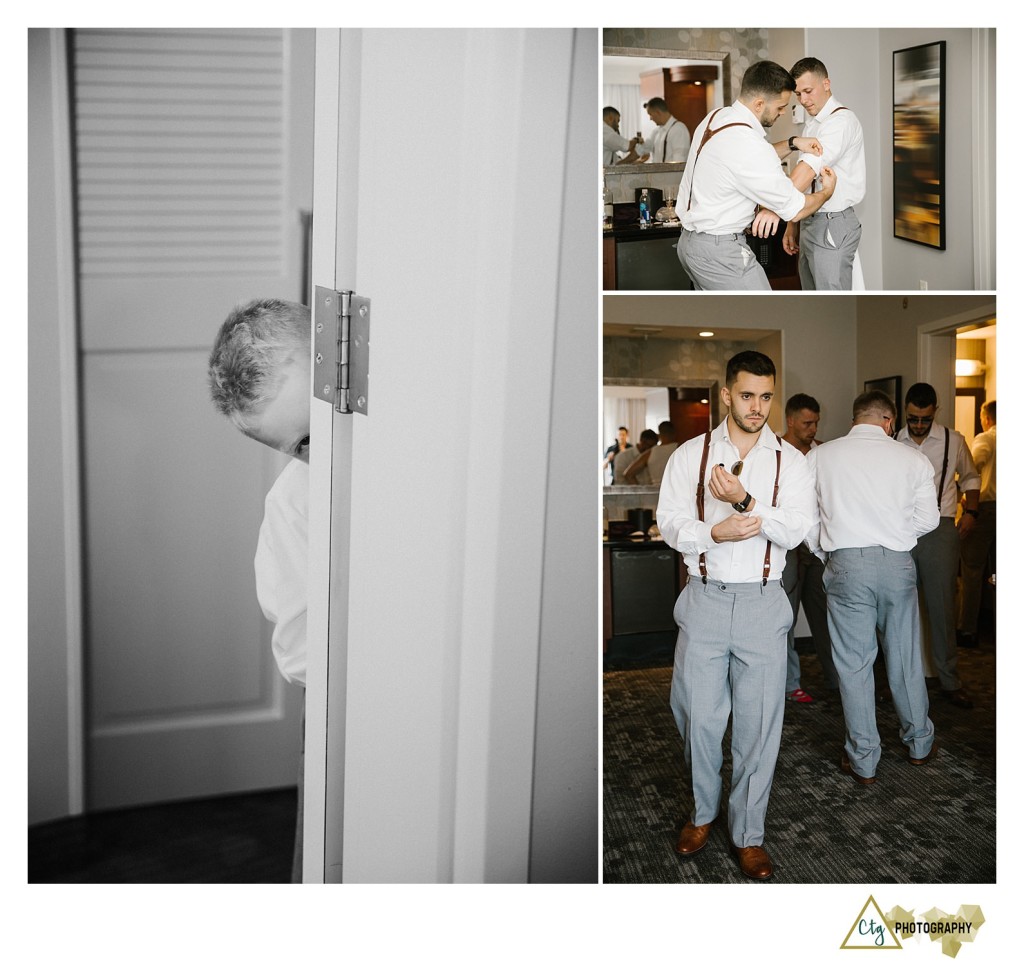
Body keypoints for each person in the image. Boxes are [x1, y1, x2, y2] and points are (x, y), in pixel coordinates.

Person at [658, 351, 814, 881]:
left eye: (766, 396)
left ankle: (748, 833)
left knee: (759, 724)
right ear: (727, 394)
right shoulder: (690, 455)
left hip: (763, 603)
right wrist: (713, 532)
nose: (757, 407)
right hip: (703, 598)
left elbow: (794, 531)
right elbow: (671, 523)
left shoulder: (790, 461)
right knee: (697, 718)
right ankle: (703, 813)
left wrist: (746, 502)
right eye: (747, 395)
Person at [208, 296, 313, 883]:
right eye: (300, 444)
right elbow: (299, 652)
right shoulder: (294, 505)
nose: (323, 450)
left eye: (325, 420)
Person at [806, 390, 938, 785]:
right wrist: (895, 539)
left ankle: (864, 759)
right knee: (905, 657)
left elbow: (806, 519)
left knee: (854, 664)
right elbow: (929, 520)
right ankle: (918, 743)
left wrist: (827, 551)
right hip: (898, 564)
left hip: (846, 563)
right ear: (889, 421)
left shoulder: (821, 456)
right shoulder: (912, 458)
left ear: (855, 419)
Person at [675, 60, 838, 291]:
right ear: (760, 103)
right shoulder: (748, 144)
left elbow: (743, 162)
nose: (783, 112)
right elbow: (797, 208)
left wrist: (793, 143)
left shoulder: (716, 118)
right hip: (720, 252)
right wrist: (827, 191)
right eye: (781, 107)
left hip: (689, 245)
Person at [895, 383, 980, 709]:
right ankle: (897, 679)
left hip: (940, 529)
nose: (918, 426)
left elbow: (970, 478)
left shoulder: (953, 440)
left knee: (942, 606)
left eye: (925, 420)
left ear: (935, 412)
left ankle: (949, 679)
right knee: (896, 607)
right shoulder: (892, 440)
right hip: (899, 530)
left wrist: (971, 511)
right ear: (906, 411)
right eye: (913, 419)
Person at [782, 58, 866, 290]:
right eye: (798, 94)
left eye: (808, 91)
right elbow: (808, 185)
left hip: (832, 222)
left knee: (830, 298)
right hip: (809, 220)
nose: (803, 100)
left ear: (826, 84)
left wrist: (774, 207)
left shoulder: (840, 122)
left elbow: (808, 171)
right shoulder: (813, 124)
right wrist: (792, 223)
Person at [779, 394, 840, 703]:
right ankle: (790, 685)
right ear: (790, 421)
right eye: (807, 423)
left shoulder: (824, 453)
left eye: (816, 422)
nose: (814, 428)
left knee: (827, 616)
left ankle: (837, 679)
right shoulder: (773, 453)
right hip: (786, 548)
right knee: (785, 619)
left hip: (818, 547)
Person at [958, 400, 996, 648]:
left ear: (987, 418)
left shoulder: (987, 439)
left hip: (987, 509)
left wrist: (965, 498)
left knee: (972, 569)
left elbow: (972, 469)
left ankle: (968, 630)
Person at [635, 96, 691, 163]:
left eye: (650, 114)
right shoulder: (656, 131)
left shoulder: (679, 129)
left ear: (658, 112)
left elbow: (679, 162)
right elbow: (645, 148)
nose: (650, 118)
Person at [624, 420, 678, 486]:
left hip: (655, 492)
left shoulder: (650, 452)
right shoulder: (680, 449)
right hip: (676, 490)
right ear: (674, 433)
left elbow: (628, 474)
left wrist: (641, 491)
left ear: (659, 435)